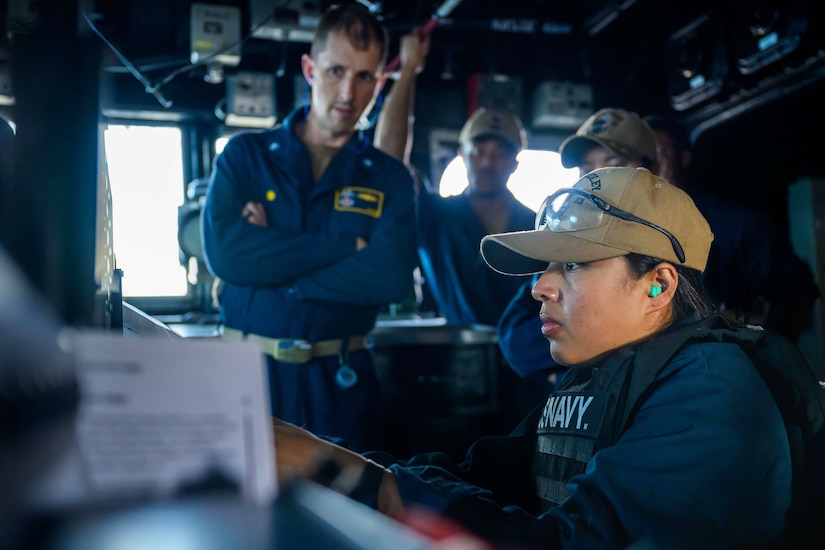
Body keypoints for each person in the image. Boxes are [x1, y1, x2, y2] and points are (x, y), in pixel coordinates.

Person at [272, 166, 793, 549]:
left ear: (657, 284)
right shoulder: (594, 377)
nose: (539, 287)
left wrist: (359, 482)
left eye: (571, 263)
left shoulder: (710, 389)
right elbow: (478, 477)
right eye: (546, 265)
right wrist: (326, 457)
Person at [201, 3, 418, 451]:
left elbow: (389, 277)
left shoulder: (387, 177)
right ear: (309, 69)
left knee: (345, 512)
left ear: (380, 83)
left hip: (339, 384)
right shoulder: (246, 156)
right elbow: (227, 255)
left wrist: (273, 263)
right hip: (246, 377)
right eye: (336, 70)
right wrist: (346, 246)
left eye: (364, 77)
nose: (347, 92)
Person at [374, 29, 534, 327]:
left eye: (500, 153)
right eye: (478, 151)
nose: (487, 162)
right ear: (461, 153)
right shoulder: (436, 215)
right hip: (458, 358)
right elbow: (388, 163)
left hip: (528, 364)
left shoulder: (537, 227)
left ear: (514, 163)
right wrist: (409, 69)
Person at [497, 108, 657, 395]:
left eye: (613, 165)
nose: (597, 179)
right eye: (587, 169)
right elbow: (515, 340)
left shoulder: (681, 239)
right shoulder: (565, 244)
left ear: (651, 170)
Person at [644, 115, 819, 343]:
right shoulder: (625, 230)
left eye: (657, 153)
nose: (648, 166)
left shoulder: (731, 225)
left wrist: (763, 358)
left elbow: (797, 293)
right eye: (640, 158)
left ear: (683, 159)